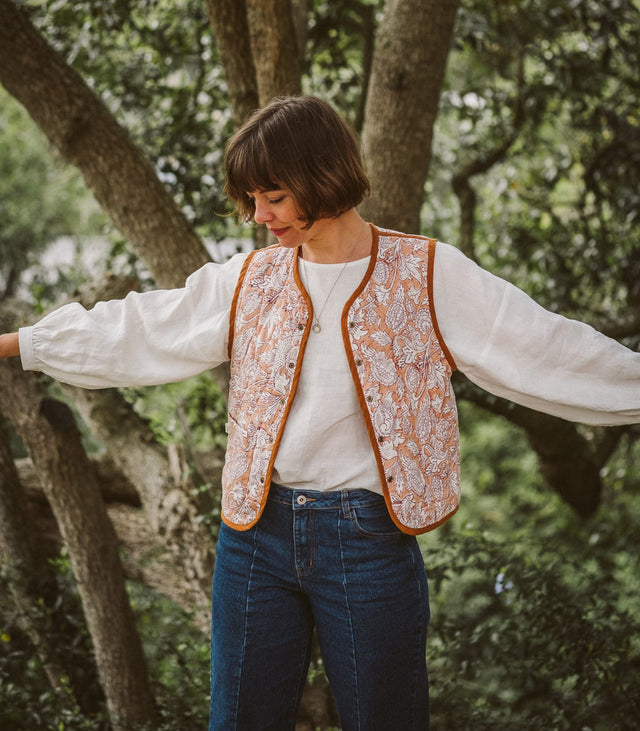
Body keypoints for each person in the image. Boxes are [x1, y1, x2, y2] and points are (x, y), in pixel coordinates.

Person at [1, 95, 639, 730]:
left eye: (273, 197)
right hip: (254, 537)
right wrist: (20, 344)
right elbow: (139, 328)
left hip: (367, 542)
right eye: (252, 200)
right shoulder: (250, 280)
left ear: (322, 177)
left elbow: (544, 344)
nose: (259, 217)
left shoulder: (428, 275)